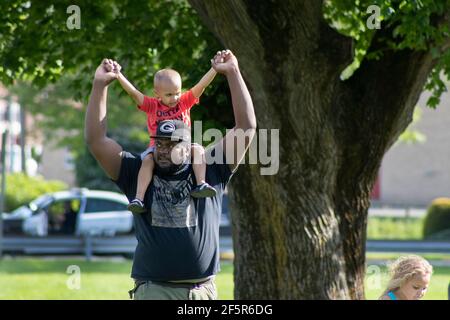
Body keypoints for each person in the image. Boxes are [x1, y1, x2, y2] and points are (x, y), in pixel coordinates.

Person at [84, 50, 256, 300]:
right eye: (160, 142)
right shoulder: (138, 170)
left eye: (174, 143)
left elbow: (246, 128)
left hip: (202, 291)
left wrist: (232, 72)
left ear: (188, 144)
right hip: (154, 289)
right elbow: (96, 140)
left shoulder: (210, 168)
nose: (165, 149)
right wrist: (100, 85)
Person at [108, 59, 218, 214]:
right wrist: (118, 75)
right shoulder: (152, 106)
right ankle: (138, 198)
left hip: (183, 146)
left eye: (177, 93)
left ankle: (201, 184)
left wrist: (214, 69)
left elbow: (201, 86)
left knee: (199, 150)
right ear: (157, 93)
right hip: (157, 149)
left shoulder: (184, 102)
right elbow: (133, 93)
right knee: (147, 160)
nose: (174, 98)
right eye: (169, 94)